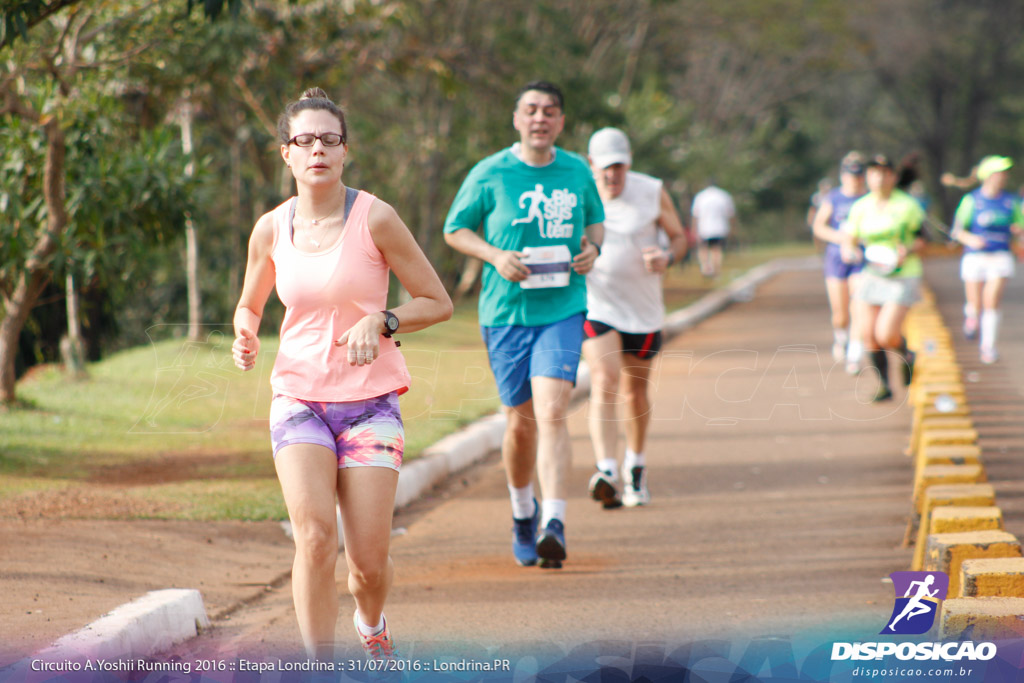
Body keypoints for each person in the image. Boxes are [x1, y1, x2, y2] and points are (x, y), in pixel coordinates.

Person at [231, 88, 452, 661]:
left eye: (329, 140)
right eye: (304, 141)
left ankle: (371, 623)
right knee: (313, 537)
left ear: (345, 151)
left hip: (370, 404)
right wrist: (246, 331)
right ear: (287, 154)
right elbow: (250, 302)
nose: (317, 151)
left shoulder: (376, 218)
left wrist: (384, 319)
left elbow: (436, 300)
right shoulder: (270, 229)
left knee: (367, 567)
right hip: (298, 398)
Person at [443, 81, 604, 569]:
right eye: (531, 110)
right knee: (521, 422)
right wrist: (494, 255)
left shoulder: (576, 170)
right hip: (507, 314)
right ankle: (522, 514)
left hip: (563, 308)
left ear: (560, 122)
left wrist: (592, 249)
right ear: (517, 118)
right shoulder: (491, 172)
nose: (540, 118)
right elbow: (455, 229)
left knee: (553, 410)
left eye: (550, 111)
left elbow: (595, 223)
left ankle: (554, 522)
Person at [581, 127, 687, 509]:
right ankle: (606, 469)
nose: (613, 176)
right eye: (605, 168)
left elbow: (678, 237)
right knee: (605, 379)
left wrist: (667, 257)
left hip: (643, 310)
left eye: (619, 167)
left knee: (635, 391)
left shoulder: (651, 191)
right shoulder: (579, 192)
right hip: (598, 303)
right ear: (591, 165)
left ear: (629, 164)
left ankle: (635, 467)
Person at [841, 154, 925, 402]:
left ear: (892, 177)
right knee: (869, 335)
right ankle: (884, 386)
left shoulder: (907, 205)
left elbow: (922, 239)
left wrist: (907, 250)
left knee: (887, 334)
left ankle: (906, 354)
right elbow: (850, 237)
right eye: (872, 173)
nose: (877, 178)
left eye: (883, 173)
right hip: (872, 273)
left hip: (902, 275)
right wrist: (849, 249)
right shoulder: (861, 206)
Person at [950, 155, 1022, 364]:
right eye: (998, 173)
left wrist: (1018, 232)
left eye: (1004, 173)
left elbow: (1020, 227)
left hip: (1000, 256)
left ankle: (988, 347)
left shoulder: (1011, 201)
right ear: (987, 176)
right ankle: (971, 317)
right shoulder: (972, 200)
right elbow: (958, 230)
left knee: (992, 301)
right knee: (975, 304)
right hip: (975, 257)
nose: (1003, 177)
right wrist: (970, 239)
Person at [811, 152, 867, 374]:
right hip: (836, 258)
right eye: (851, 175)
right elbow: (819, 227)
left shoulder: (869, 199)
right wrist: (841, 238)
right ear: (843, 175)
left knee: (859, 305)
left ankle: (855, 354)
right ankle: (841, 336)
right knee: (840, 312)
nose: (855, 179)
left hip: (861, 259)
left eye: (859, 175)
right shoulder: (833, 198)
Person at [691, 179, 736, 278]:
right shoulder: (724, 195)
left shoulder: (701, 196)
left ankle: (706, 268)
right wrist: (732, 228)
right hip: (720, 227)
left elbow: (695, 215)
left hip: (704, 228)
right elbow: (730, 214)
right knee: (716, 250)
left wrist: (694, 229)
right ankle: (716, 271)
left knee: (703, 249)